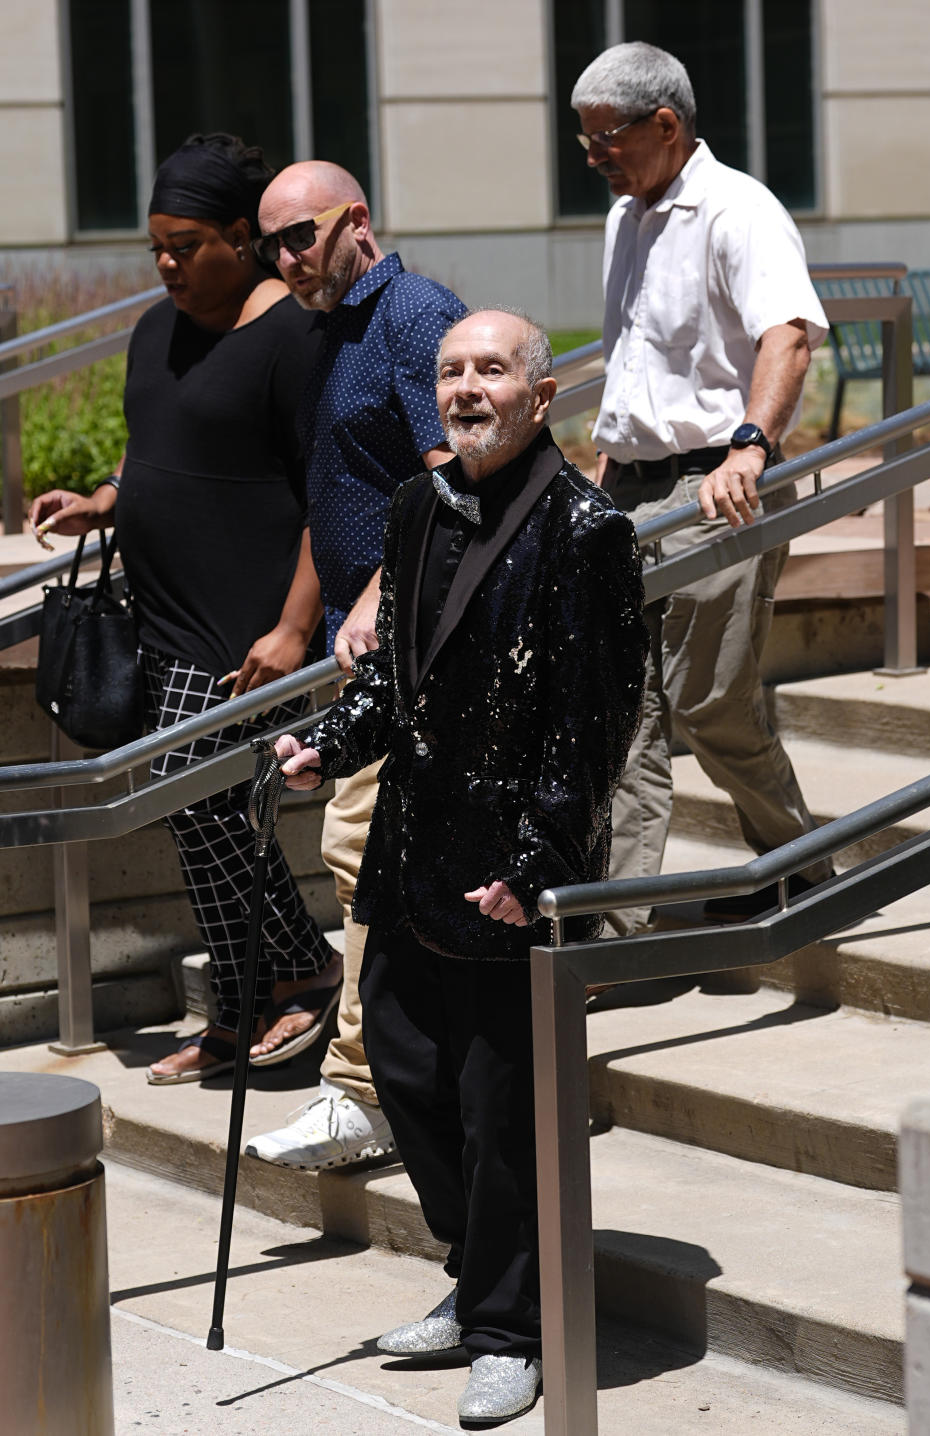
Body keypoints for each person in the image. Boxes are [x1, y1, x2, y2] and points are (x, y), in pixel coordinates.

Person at [267, 308, 648, 1423]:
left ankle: (510, 1328)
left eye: (492, 369)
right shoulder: (418, 505)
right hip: (413, 848)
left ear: (540, 396)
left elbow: (593, 720)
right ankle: (471, 1275)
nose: (467, 386)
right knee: (405, 1070)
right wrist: (327, 745)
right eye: (451, 370)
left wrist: (538, 859)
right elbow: (394, 674)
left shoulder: (586, 528)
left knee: (498, 1104)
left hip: (509, 870)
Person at [28, 133, 341, 1082]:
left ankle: (302, 970)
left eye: (187, 245)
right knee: (190, 808)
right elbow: (155, 442)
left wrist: (293, 628)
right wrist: (106, 500)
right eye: (156, 247)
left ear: (241, 237)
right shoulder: (157, 327)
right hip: (160, 617)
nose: (167, 264)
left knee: (199, 800)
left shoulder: (292, 337)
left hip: (246, 630)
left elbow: (330, 495)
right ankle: (242, 1009)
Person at [571, 41, 834, 932]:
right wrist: (604, 478)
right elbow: (637, 366)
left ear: (666, 124)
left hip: (717, 485)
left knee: (707, 700)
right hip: (629, 491)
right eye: (583, 138)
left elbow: (788, 336)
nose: (593, 153)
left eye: (606, 136)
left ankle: (800, 861)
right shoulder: (624, 219)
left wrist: (751, 448)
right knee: (623, 710)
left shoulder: (737, 210)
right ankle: (621, 917)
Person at [244, 162, 466, 1170]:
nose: (289, 259)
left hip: (407, 636)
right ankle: (408, 1071)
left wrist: (379, 596)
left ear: (358, 221)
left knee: (356, 845)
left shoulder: (414, 314)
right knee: (375, 856)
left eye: (304, 236)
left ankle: (360, 1088)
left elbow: (456, 477)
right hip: (360, 636)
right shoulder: (332, 328)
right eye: (273, 245)